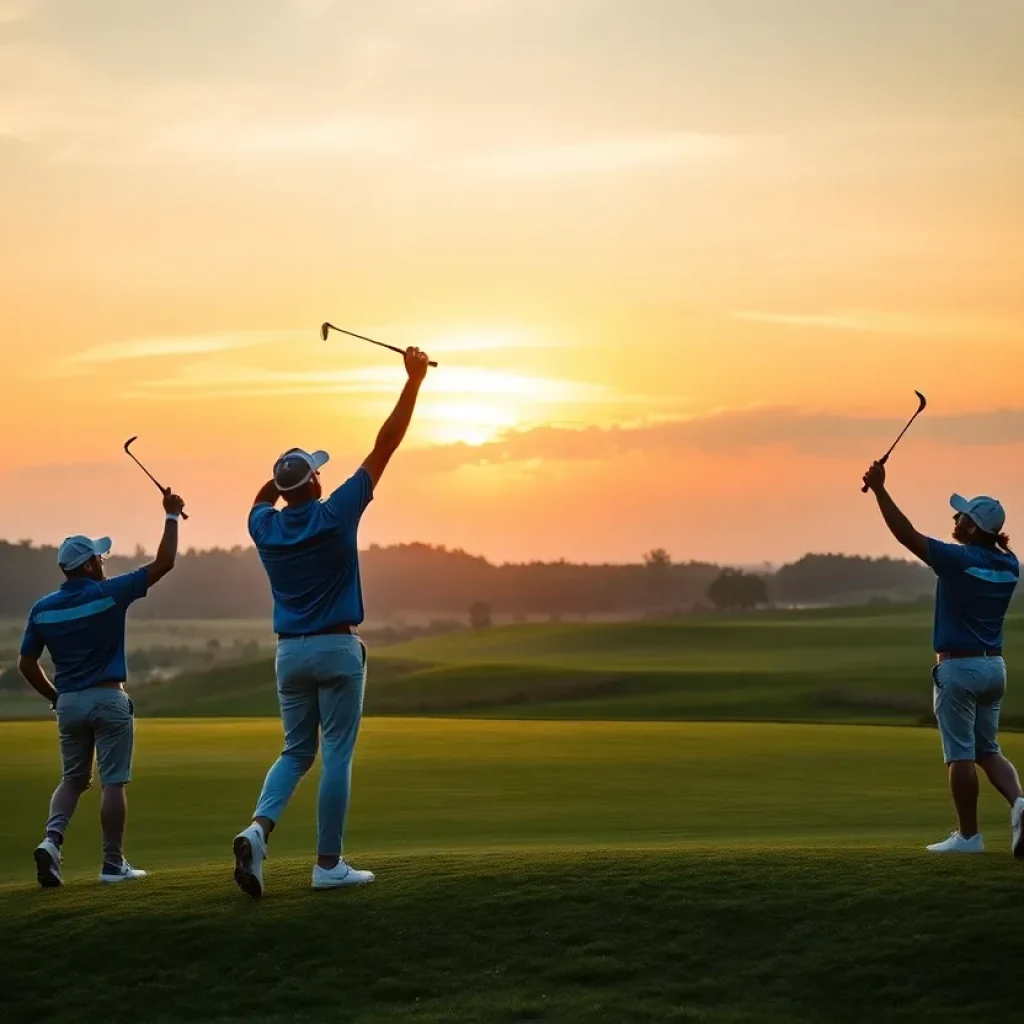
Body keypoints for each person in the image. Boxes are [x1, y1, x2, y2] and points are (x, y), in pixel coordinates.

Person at [232, 345, 431, 897]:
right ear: (317, 485)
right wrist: (412, 381)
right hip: (338, 650)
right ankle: (327, 864)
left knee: (296, 751)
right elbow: (384, 444)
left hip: (288, 653)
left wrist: (286, 478)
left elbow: (260, 498)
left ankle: (258, 829)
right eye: (318, 473)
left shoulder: (264, 528)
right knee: (336, 754)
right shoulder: (337, 509)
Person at [19, 488, 186, 887]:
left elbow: (26, 663)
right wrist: (171, 515)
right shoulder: (109, 594)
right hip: (109, 699)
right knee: (113, 782)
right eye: (99, 557)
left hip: (70, 703)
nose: (103, 562)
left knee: (73, 779)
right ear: (90, 565)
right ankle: (113, 865)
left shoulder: (42, 609)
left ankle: (51, 842)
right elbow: (164, 562)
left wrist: (55, 698)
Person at [863, 460, 1024, 855]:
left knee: (961, 755)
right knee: (989, 750)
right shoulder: (1010, 565)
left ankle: (969, 838)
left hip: (959, 668)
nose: (955, 517)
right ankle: (1021, 803)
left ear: (973, 528)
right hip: (994, 668)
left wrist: (880, 490)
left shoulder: (959, 560)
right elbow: (992, 548)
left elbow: (906, 535)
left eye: (963, 516)